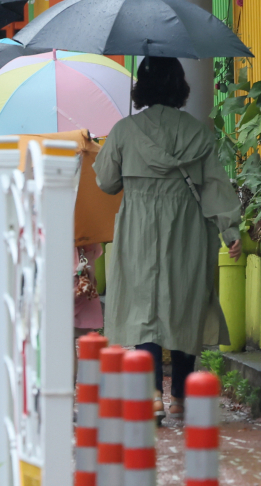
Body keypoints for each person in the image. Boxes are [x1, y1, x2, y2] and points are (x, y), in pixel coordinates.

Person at [94, 57, 241, 422]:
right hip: (187, 227)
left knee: (145, 308)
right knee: (184, 305)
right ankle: (180, 397)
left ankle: (152, 396)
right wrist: (230, 230)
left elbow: (106, 182)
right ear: (180, 87)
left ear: (141, 88)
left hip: (139, 228)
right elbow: (216, 187)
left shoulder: (125, 130)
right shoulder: (197, 132)